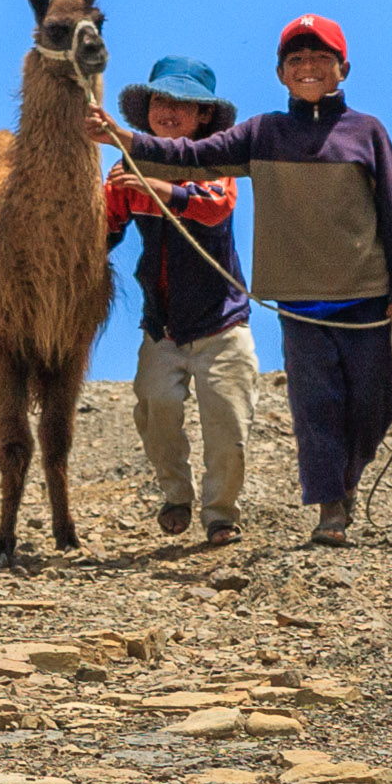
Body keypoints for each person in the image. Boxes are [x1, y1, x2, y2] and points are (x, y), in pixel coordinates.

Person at [87, 13, 392, 548]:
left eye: (320, 59)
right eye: (297, 60)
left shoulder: (367, 132)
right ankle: (330, 508)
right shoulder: (263, 134)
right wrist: (122, 140)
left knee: (376, 406)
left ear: (343, 68)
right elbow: (186, 159)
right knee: (316, 409)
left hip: (365, 295)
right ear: (281, 72)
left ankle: (344, 483)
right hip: (297, 301)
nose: (308, 68)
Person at [104, 58, 258, 546]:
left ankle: (220, 515)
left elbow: (215, 206)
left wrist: (154, 192)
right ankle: (176, 493)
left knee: (228, 426)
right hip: (163, 327)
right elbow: (104, 227)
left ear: (204, 117)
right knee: (155, 408)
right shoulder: (127, 166)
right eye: (160, 101)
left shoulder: (218, 162)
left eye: (181, 104)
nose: (168, 112)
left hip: (222, 325)